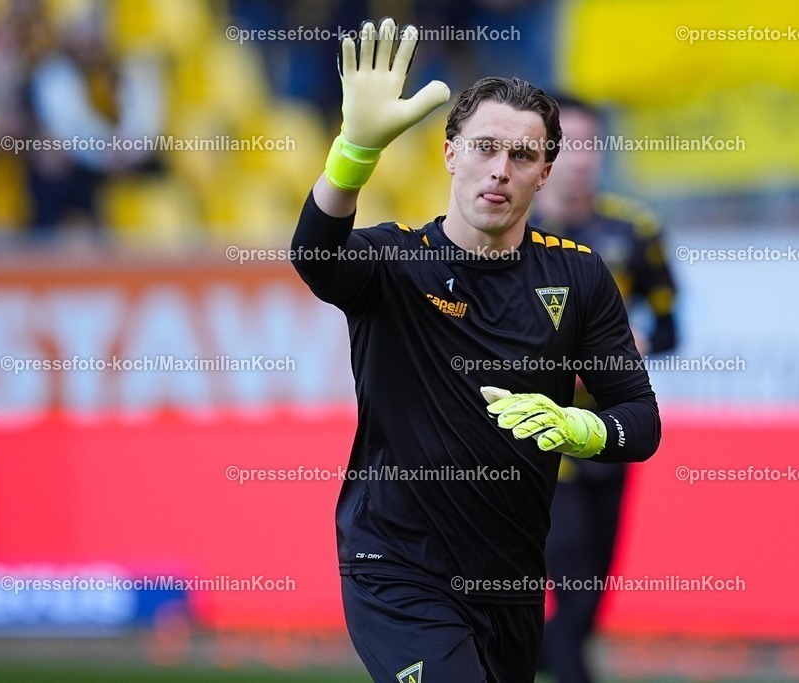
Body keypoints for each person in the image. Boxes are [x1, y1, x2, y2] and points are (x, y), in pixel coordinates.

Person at [290, 19, 661, 682]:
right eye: (485, 147)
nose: (500, 169)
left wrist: (583, 427)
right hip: (397, 565)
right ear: (450, 153)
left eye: (521, 155)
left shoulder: (578, 276)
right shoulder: (394, 263)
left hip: (510, 577)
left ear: (545, 172)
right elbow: (314, 256)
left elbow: (639, 419)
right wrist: (352, 152)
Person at [532, 94, 678, 683]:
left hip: (613, 433)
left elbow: (671, 327)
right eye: (569, 144)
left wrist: (639, 341)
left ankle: (502, 655)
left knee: (590, 600)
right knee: (570, 592)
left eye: (592, 143)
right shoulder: (510, 226)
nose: (581, 159)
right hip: (543, 439)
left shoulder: (633, 231)